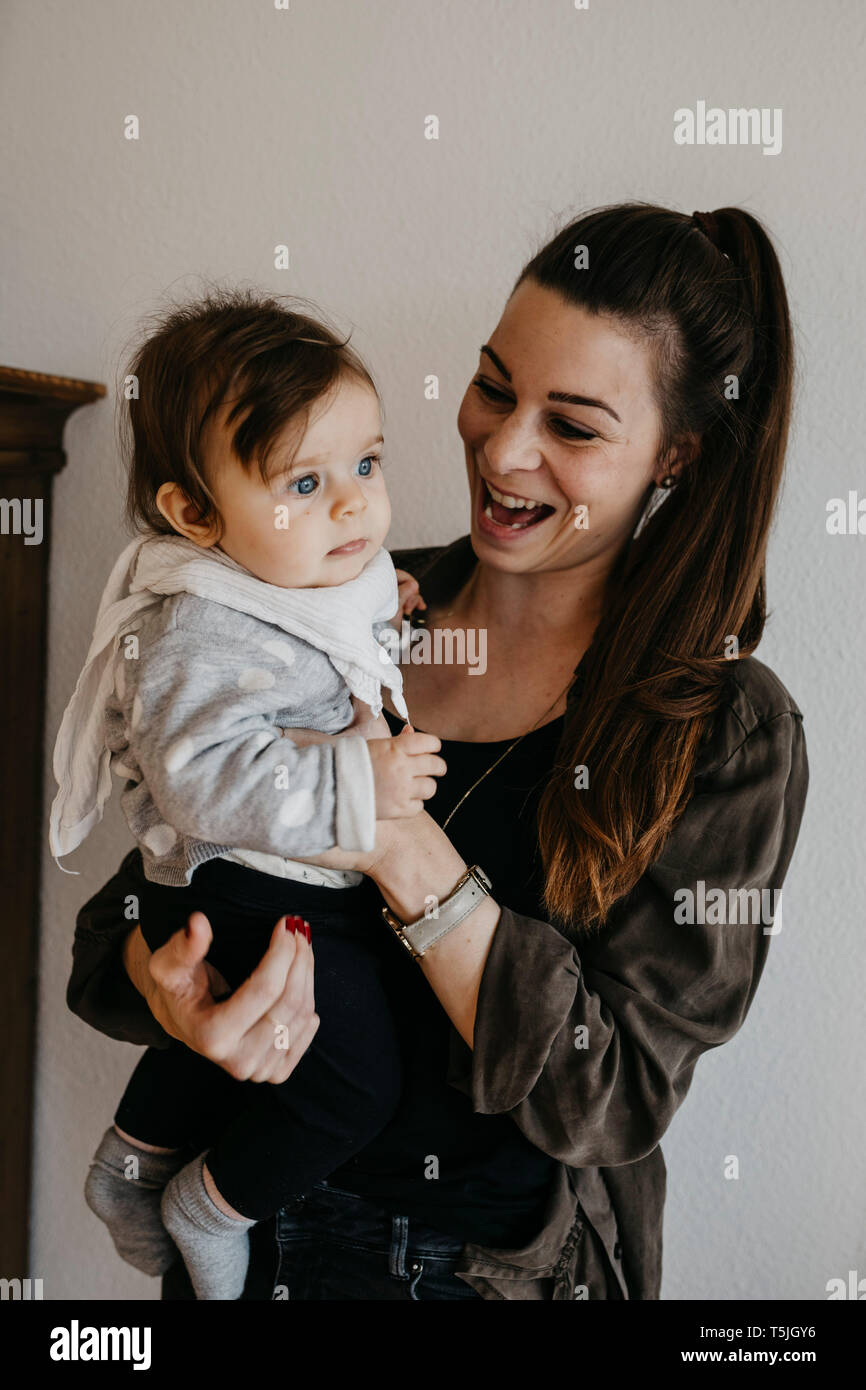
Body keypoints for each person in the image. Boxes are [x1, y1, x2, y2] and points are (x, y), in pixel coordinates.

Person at [67, 202, 809, 1301]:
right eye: (494, 386)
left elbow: (607, 1095)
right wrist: (165, 986)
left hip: (478, 1273)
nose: (503, 448)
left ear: (675, 455)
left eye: (575, 425)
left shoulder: (721, 731)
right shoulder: (334, 602)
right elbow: (122, 911)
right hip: (238, 1236)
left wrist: (390, 838)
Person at [49, 292, 445, 1299]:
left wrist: (381, 620)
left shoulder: (302, 572)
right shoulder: (199, 625)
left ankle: (130, 1164)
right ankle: (207, 1204)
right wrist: (360, 778)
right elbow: (198, 774)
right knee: (356, 1076)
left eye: (366, 464)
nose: (355, 504)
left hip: (281, 888)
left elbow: (322, 669)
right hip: (242, 886)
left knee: (243, 1036)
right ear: (194, 514)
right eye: (304, 481)